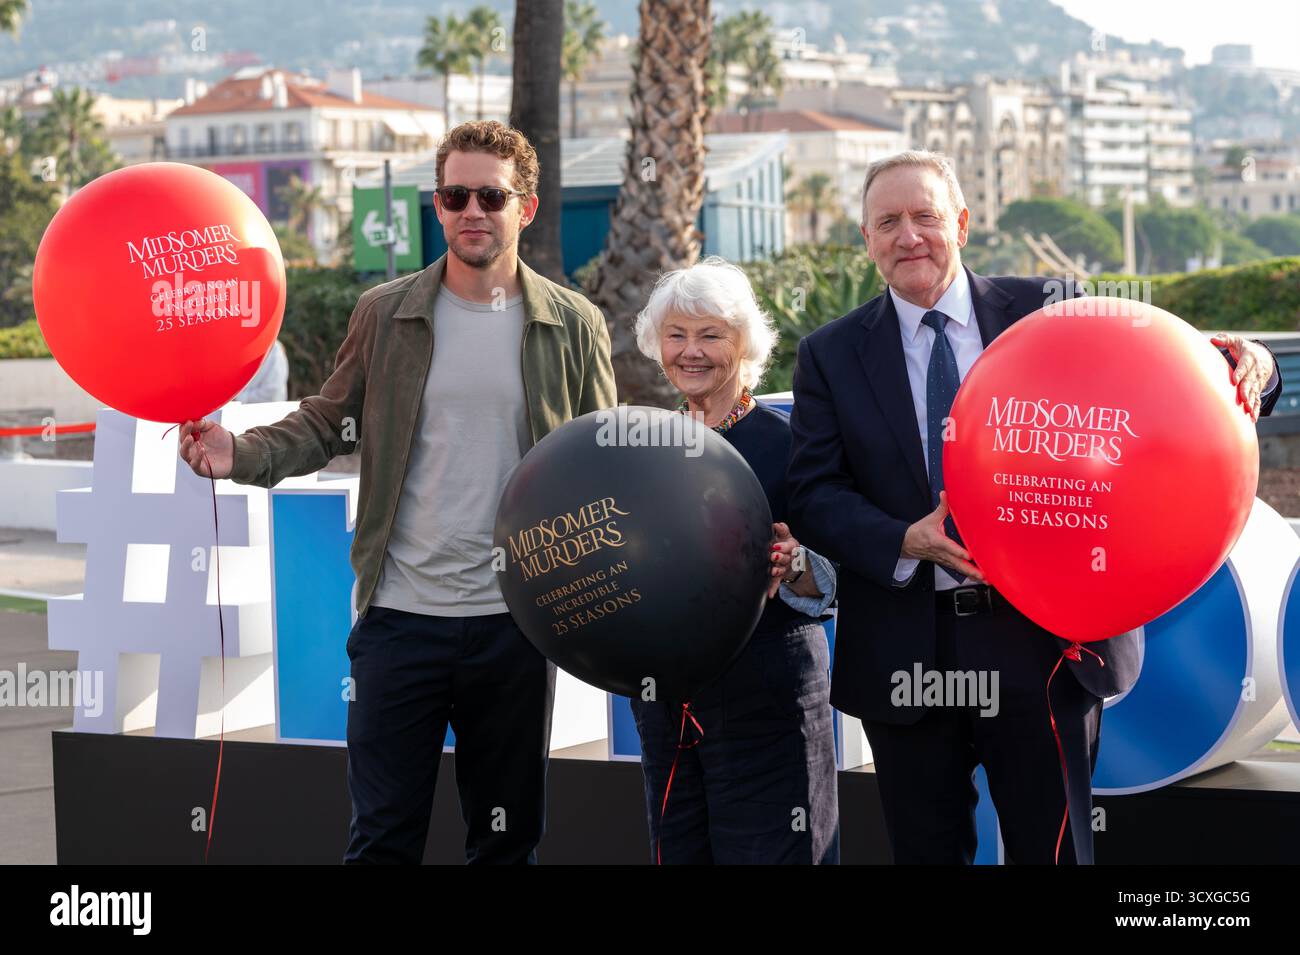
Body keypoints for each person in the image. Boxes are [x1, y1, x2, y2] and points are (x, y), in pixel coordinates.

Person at [786, 150, 1280, 865]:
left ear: (960, 222)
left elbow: (1176, 374)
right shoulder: (828, 354)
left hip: (1040, 647)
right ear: (866, 239)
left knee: (1054, 854)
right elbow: (812, 494)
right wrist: (905, 539)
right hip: (905, 652)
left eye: (925, 216)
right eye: (887, 222)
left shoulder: (1053, 307)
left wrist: (1254, 367)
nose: (908, 236)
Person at [177, 120, 617, 864]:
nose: (472, 210)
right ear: (437, 206)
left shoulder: (572, 324)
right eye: (454, 195)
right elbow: (326, 421)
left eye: (490, 195)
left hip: (516, 625)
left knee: (508, 843)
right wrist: (238, 452)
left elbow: (600, 466)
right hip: (399, 623)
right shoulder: (387, 313)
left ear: (527, 207)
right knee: (383, 840)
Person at [628, 257, 840, 864]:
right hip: (668, 709)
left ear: (743, 344)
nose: (691, 352)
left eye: (711, 334)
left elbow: (837, 581)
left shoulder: (791, 446)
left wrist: (797, 564)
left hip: (770, 701)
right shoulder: (639, 448)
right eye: (676, 335)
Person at [235, 339, 288, 403]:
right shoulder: (236, 344)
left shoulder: (274, 349)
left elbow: (273, 392)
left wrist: (237, 398)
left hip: (266, 410)